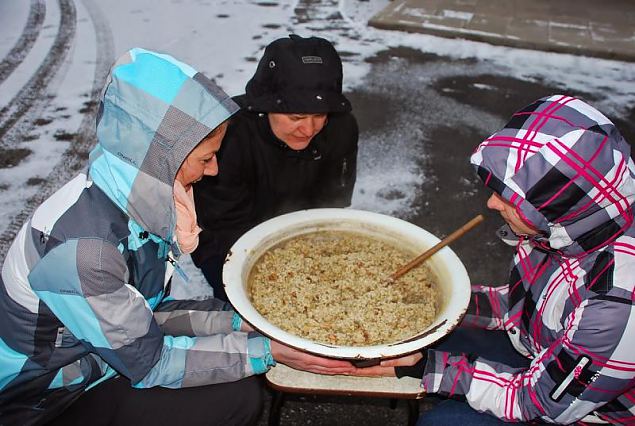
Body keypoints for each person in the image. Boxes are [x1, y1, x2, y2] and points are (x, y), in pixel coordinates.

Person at [0, 48, 353, 426]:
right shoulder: (86, 252)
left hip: (97, 367)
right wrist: (268, 351)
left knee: (234, 389)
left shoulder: (128, 203)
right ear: (161, 157)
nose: (214, 170)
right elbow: (151, 363)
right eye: (205, 158)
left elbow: (149, 314)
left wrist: (241, 322)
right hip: (44, 402)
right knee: (235, 399)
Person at [353, 95, 635, 424]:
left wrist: (428, 368)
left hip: (583, 411)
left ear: (558, 209)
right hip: (538, 349)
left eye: (508, 197)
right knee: (426, 329)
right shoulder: (569, 226)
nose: (490, 203)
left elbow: (539, 403)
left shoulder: (616, 305)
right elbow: (525, 305)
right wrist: (432, 301)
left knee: (442, 422)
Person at [192, 34, 358, 301]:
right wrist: (273, 276)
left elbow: (332, 202)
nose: (309, 129)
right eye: (296, 117)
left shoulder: (341, 128)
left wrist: (319, 260)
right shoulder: (228, 136)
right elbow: (219, 229)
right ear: (265, 106)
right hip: (230, 242)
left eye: (319, 115)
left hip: (302, 236)